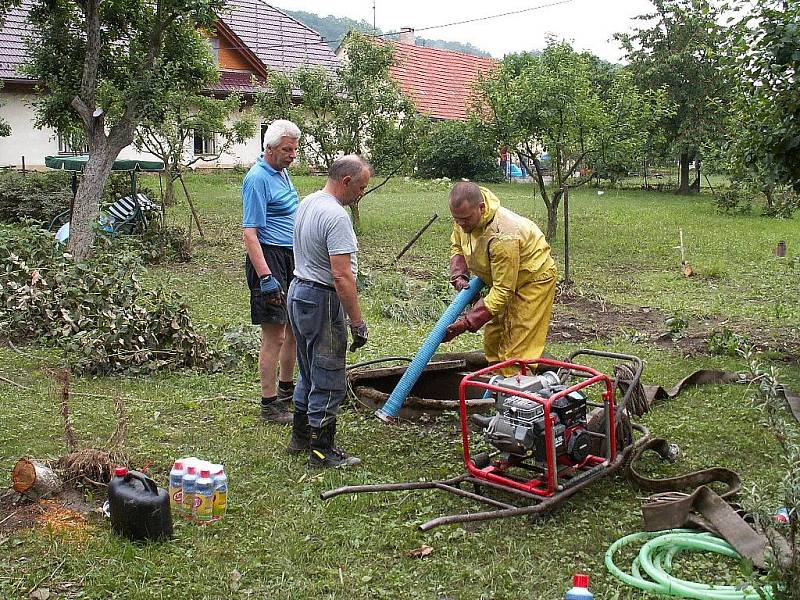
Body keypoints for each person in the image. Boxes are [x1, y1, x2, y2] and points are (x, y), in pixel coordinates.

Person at [285, 155, 371, 468]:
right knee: (329, 374)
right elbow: (342, 275)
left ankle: (299, 437)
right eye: (361, 187)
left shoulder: (309, 201)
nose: (361, 194)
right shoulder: (336, 216)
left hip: (299, 292)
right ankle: (322, 451)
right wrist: (357, 323)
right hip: (322, 299)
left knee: (308, 369)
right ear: (346, 181)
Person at [443, 182, 557, 370]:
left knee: (516, 351)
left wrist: (466, 323)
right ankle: (496, 389)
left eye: (465, 219)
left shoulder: (503, 235)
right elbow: (458, 246)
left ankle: (518, 391)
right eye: (457, 220)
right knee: (494, 341)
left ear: (481, 208)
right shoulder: (464, 219)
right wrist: (459, 275)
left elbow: (503, 292)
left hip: (533, 279)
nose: (461, 225)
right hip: (502, 280)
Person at [242, 119, 302, 424]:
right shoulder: (257, 179)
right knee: (274, 334)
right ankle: (269, 405)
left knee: (293, 330)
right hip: (269, 258)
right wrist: (266, 277)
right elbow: (250, 233)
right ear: (269, 148)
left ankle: (287, 392)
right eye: (286, 149)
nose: (292, 154)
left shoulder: (282, 172)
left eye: (294, 149)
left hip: (291, 257)